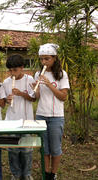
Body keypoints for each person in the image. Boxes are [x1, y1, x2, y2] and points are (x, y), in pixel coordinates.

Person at [34, 43, 70, 180]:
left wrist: (49, 84)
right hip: (41, 114)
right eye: (41, 59)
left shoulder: (62, 74)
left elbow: (63, 97)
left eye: (47, 59)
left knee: (55, 148)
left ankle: (53, 173)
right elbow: (37, 97)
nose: (44, 62)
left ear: (54, 58)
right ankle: (46, 172)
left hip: (56, 117)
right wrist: (36, 88)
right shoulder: (38, 73)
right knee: (44, 148)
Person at [2, 55, 36, 180]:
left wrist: (21, 93)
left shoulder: (29, 79)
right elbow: (4, 100)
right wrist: (7, 99)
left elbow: (33, 98)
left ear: (22, 68)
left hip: (26, 120)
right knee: (13, 150)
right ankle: (15, 174)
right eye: (10, 70)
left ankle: (27, 173)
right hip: (11, 120)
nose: (12, 73)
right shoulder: (6, 82)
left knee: (27, 149)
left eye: (14, 70)